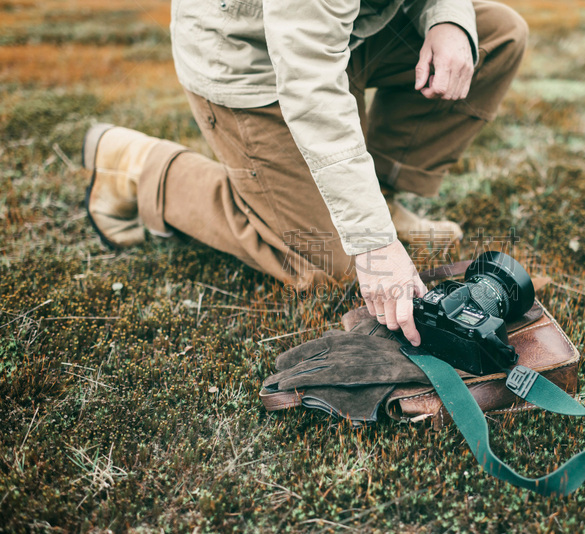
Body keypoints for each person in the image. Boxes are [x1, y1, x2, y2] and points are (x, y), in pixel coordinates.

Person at [82, 0, 528, 347]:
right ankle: (140, 168)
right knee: (328, 263)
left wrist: (445, 18)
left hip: (349, 30)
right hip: (253, 58)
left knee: (494, 36)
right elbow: (310, 83)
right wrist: (372, 242)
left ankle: (378, 199)